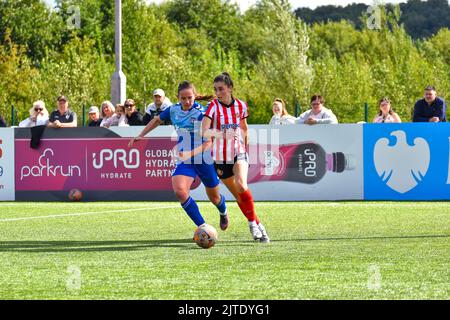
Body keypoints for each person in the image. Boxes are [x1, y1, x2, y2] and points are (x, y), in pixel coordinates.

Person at [128, 81, 229, 232]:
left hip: (204, 158)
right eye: (183, 98)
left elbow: (209, 142)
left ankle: (223, 211)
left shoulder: (203, 112)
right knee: (180, 191)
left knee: (215, 198)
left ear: (195, 97)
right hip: (185, 158)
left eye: (190, 98)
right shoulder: (173, 110)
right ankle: (203, 227)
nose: (187, 102)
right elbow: (156, 120)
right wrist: (141, 135)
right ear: (178, 98)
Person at [201, 72, 270, 243]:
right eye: (216, 89)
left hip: (238, 152)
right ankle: (257, 224)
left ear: (230, 88)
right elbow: (203, 131)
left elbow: (244, 128)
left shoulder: (241, 106)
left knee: (241, 184)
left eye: (221, 89)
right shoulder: (213, 107)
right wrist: (221, 134)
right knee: (239, 195)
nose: (218, 93)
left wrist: (246, 147)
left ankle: (252, 224)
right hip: (220, 158)